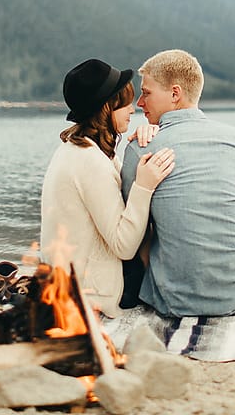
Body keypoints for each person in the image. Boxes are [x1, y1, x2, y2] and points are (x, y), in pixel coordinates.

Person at [120, 49, 235, 317]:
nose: (140, 102)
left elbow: (134, 237)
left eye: (147, 93)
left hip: (174, 303)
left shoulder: (139, 149)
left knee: (151, 224)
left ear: (175, 94)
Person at [40, 58, 175, 315]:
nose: (133, 109)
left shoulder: (82, 147)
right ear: (106, 107)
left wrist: (143, 138)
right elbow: (124, 246)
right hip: (92, 292)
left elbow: (118, 188)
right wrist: (144, 186)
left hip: (71, 281)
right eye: (124, 103)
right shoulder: (88, 160)